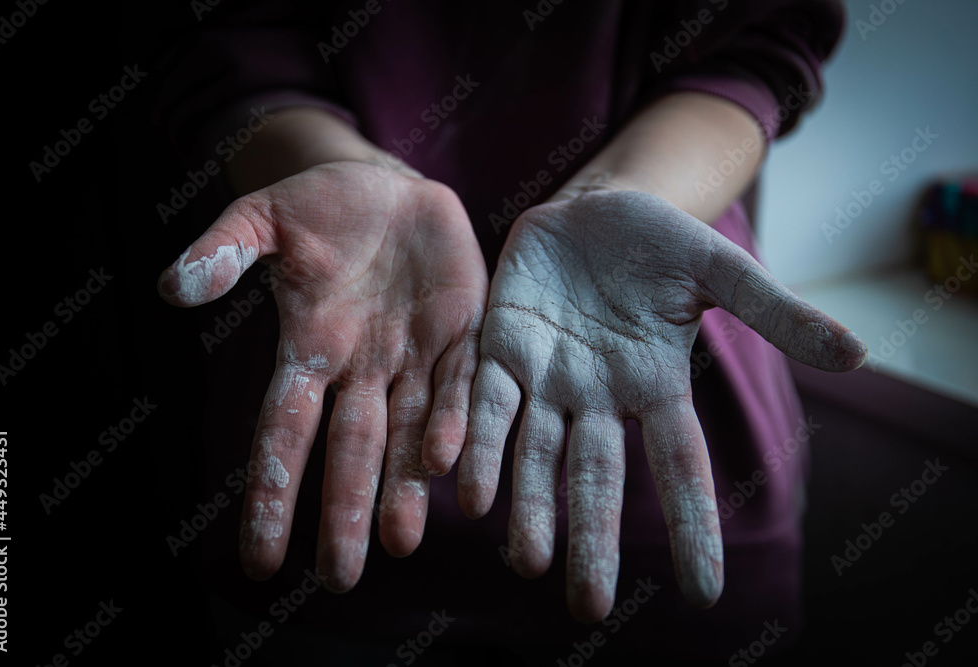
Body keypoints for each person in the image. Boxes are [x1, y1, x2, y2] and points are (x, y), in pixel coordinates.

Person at [155, 0, 861, 659]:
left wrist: (618, 193)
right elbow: (224, 46)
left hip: (649, 388)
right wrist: (339, 166)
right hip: (339, 397)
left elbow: (760, 45)